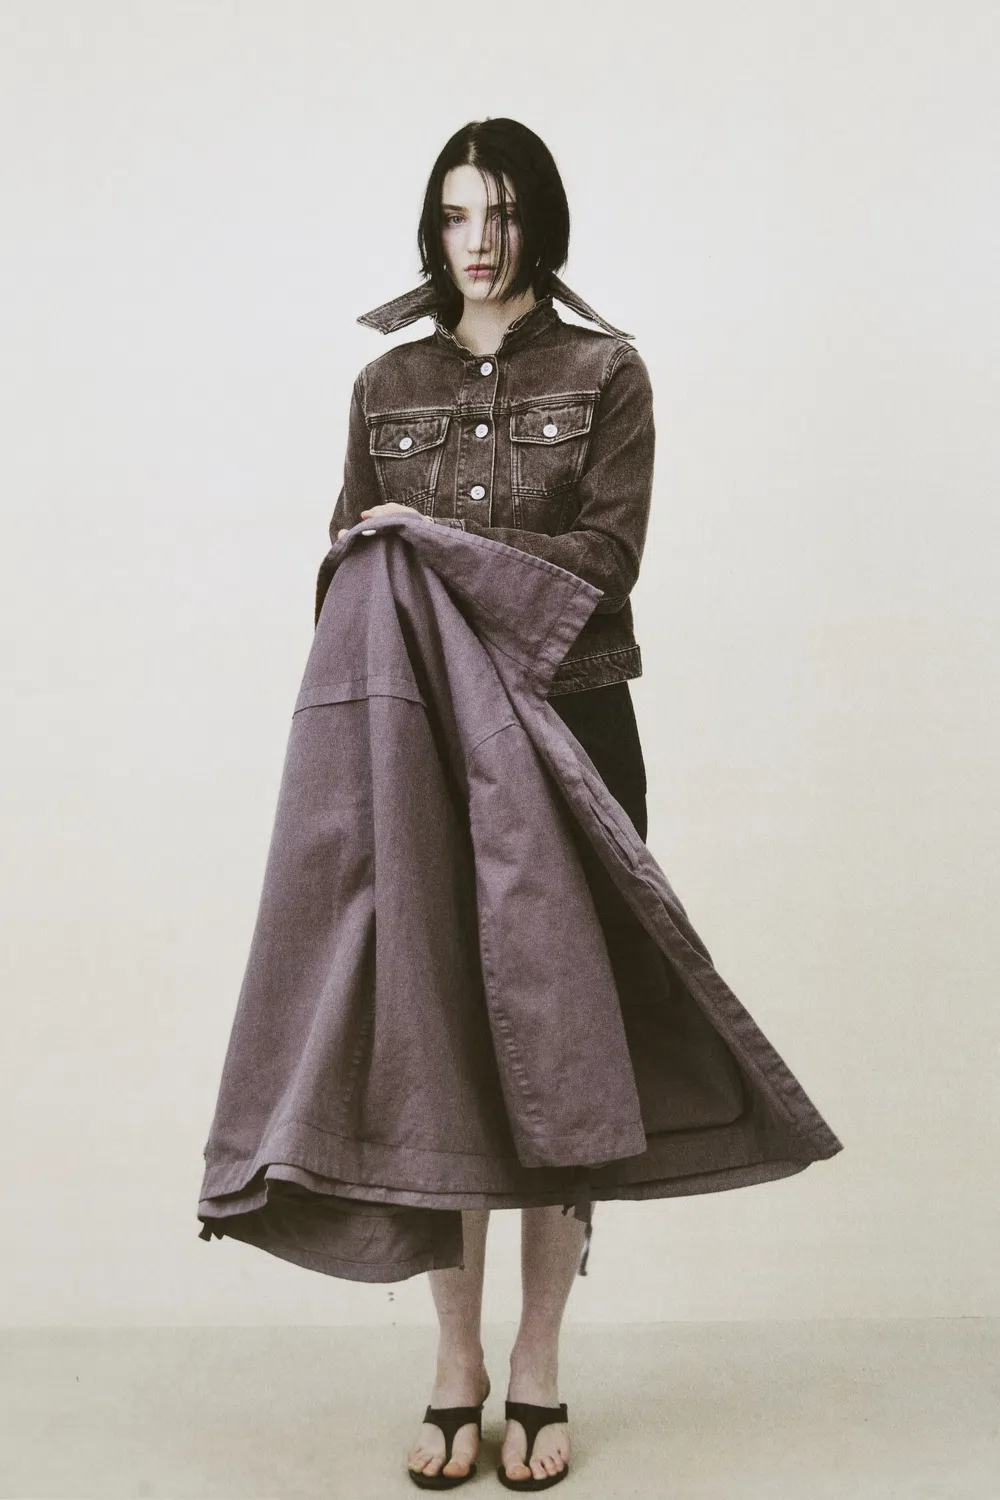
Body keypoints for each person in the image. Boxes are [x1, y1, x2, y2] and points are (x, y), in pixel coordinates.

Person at [330, 117, 656, 1491]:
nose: (480, 239)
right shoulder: (384, 383)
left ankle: (540, 1361)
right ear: (433, 224)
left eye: (505, 212)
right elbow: (349, 568)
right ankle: (457, 1363)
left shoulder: (607, 371)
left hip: (572, 731)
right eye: (459, 212)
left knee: (564, 1050)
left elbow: (605, 559)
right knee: (442, 1047)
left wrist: (438, 542)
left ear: (542, 223)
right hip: (425, 742)